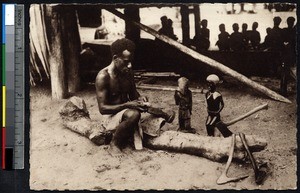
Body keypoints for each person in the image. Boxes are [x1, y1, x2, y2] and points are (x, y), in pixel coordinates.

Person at [95, 38, 174, 153]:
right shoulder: (103, 77)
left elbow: (133, 95)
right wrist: (127, 104)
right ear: (115, 58)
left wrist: (140, 99)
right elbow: (102, 109)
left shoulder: (127, 72)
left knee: (153, 114)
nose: (130, 65)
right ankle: (115, 143)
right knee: (134, 114)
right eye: (126, 61)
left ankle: (131, 130)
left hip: (126, 112)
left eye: (131, 61)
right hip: (110, 117)